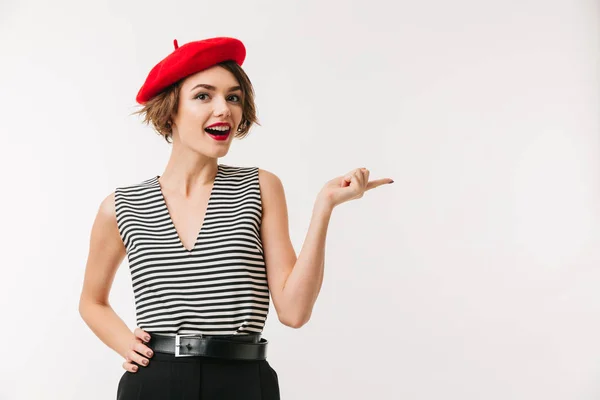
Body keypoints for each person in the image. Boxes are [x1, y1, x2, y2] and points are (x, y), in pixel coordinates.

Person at [78, 36, 394, 399]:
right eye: (203, 96)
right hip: (154, 381)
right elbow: (92, 300)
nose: (224, 109)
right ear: (170, 110)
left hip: (242, 381)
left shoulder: (260, 187)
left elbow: (293, 312)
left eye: (233, 97)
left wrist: (325, 206)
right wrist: (123, 342)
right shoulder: (122, 205)